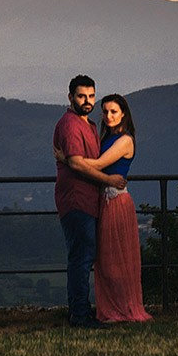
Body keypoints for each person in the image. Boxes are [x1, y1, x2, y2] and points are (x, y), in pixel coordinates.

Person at [64, 93, 151, 323]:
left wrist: (70, 160)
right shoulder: (107, 138)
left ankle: (122, 308)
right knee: (105, 259)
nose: (108, 116)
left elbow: (100, 164)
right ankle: (110, 307)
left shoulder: (125, 140)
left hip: (116, 202)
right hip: (104, 200)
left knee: (116, 260)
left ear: (123, 113)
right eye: (105, 111)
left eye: (113, 111)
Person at [53, 74, 122, 328]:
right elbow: (76, 163)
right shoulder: (71, 125)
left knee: (84, 257)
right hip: (76, 199)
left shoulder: (90, 125)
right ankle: (80, 316)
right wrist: (108, 180)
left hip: (88, 200)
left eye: (91, 96)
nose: (87, 101)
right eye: (82, 96)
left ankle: (81, 311)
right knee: (81, 258)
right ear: (70, 96)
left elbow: (82, 160)